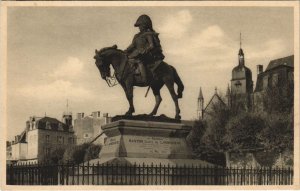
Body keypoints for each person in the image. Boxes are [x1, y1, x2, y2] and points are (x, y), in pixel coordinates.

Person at [125, 14, 165, 84]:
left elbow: (151, 45)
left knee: (139, 60)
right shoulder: (137, 36)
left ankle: (144, 79)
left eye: (140, 25)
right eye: (139, 26)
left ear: (145, 25)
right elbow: (132, 46)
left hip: (147, 54)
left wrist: (144, 51)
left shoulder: (148, 34)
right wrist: (125, 51)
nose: (139, 27)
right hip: (138, 53)